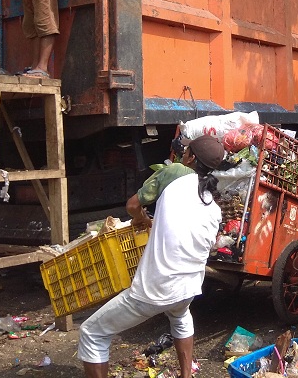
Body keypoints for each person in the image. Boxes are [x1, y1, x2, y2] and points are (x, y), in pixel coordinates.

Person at [78, 135, 224, 378]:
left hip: (155, 290)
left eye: (186, 152)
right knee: (180, 315)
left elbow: (133, 205)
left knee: (91, 333)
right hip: (187, 289)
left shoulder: (175, 172)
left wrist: (142, 219)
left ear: (190, 157)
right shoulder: (213, 206)